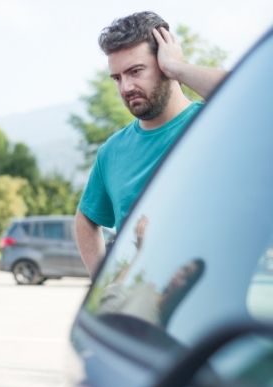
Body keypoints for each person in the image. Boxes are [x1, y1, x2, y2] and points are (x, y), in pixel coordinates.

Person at [75, 11, 227, 278]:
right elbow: (85, 221)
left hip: (214, 302)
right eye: (117, 78)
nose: (125, 87)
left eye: (135, 71)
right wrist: (103, 286)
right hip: (144, 308)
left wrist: (179, 68)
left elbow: (258, 95)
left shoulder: (213, 123)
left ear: (164, 64)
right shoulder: (111, 151)